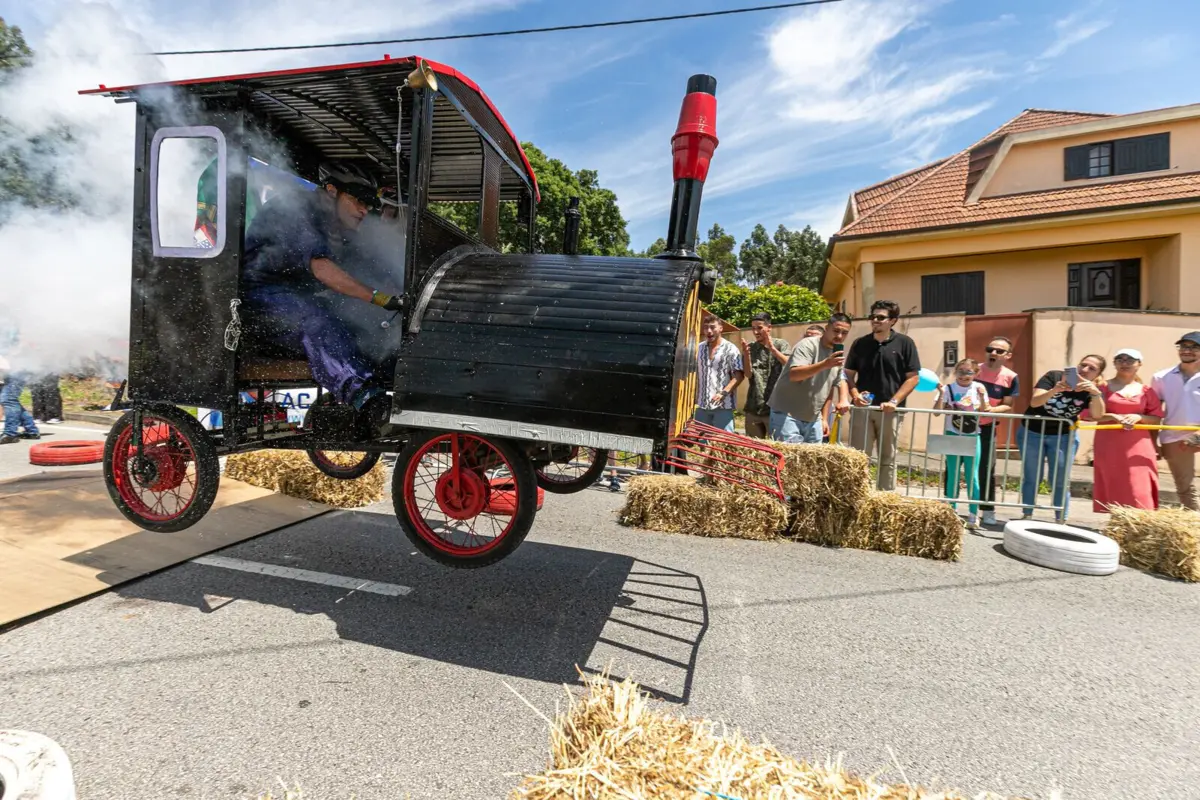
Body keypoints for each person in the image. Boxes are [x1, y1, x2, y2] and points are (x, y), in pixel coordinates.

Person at [241, 161, 402, 429]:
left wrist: (401, 293)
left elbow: (368, 266)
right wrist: (381, 299)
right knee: (316, 322)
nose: (364, 210)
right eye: (359, 200)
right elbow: (323, 270)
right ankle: (365, 397)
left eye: (369, 204)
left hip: (298, 296)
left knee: (356, 323)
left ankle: (388, 377)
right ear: (331, 191)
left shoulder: (337, 225)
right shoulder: (295, 209)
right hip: (259, 297)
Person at [843, 300, 921, 490]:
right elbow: (848, 374)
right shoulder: (860, 343)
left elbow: (913, 378)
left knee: (888, 457)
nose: (875, 320)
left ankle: (885, 496)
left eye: (880, 317)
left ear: (892, 321)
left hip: (890, 411)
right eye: (873, 316)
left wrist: (894, 401)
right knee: (858, 456)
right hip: (863, 409)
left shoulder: (905, 343)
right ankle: (858, 495)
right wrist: (855, 394)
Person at [1018, 355, 1106, 521]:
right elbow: (1035, 402)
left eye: (1092, 368)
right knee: (1032, 476)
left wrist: (1095, 393)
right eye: (1083, 365)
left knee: (1060, 479)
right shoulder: (1054, 376)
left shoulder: (1092, 390)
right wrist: (1055, 390)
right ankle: (1027, 514)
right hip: (1032, 433)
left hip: (1063, 436)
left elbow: (1097, 415)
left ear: (1098, 374)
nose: (1085, 370)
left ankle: (1061, 518)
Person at [1092, 348, 1163, 512]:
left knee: (1140, 485)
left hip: (1139, 444)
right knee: (1115, 481)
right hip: (1109, 444)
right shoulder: (1102, 388)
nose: (1124, 363)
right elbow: (1090, 415)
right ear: (1114, 364)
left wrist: (1139, 417)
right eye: (1120, 359)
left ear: (1139, 364)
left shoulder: (1146, 391)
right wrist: (1112, 416)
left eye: (1130, 360)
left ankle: (1140, 521)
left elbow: (1156, 419)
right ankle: (1118, 519)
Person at [768, 313, 851, 444]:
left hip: (813, 418)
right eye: (836, 331)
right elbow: (795, 374)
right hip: (787, 415)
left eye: (844, 333)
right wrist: (825, 364)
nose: (840, 336)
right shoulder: (807, 345)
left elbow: (839, 380)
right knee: (789, 457)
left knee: (814, 457)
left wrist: (843, 399)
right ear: (827, 328)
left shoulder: (836, 353)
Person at [934, 359, 990, 528]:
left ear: (976, 373)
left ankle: (973, 514)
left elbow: (985, 411)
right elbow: (936, 412)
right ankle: (952, 510)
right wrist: (941, 394)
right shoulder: (948, 388)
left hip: (972, 435)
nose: (964, 376)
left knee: (972, 475)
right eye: (961, 371)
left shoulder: (979, 388)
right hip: (952, 433)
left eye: (968, 372)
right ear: (955, 372)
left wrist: (982, 396)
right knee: (953, 473)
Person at [1152, 332, 1200, 511]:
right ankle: (1194, 522)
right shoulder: (1161, 377)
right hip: (1174, 436)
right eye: (1184, 346)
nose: (1187, 350)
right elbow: (1154, 412)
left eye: (1194, 347)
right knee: (1185, 486)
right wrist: (1153, 442)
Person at [975, 337, 1020, 526]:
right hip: (963, 425)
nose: (993, 353)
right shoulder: (974, 369)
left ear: (1008, 356)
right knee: (954, 464)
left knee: (987, 468)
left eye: (999, 351)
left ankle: (987, 510)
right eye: (990, 349)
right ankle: (949, 505)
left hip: (987, 427)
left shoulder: (1011, 377)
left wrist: (992, 410)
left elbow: (1008, 404)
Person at [737, 313, 791, 439]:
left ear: (769, 327)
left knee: (777, 446)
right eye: (753, 328)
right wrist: (746, 355)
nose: (756, 332)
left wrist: (773, 349)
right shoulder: (750, 348)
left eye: (759, 328)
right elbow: (748, 374)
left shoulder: (781, 344)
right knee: (753, 446)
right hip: (754, 407)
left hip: (776, 408)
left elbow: (789, 364)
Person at [694, 313, 744, 432]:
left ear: (720, 328)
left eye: (712, 327)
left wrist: (724, 393)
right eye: (706, 327)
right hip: (702, 404)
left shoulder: (731, 349)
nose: (709, 331)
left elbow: (739, 375)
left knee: (723, 440)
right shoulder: (699, 348)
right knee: (700, 440)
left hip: (723, 405)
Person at [0, 319, 39, 444]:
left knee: (8, 399)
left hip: (19, 367)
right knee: (10, 399)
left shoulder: (14, 323)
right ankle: (31, 431)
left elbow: (23, 342)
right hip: (10, 367)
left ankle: (10, 433)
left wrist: (11, 357)